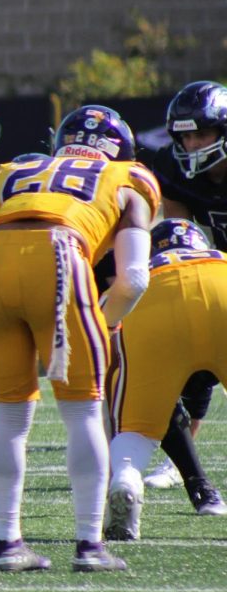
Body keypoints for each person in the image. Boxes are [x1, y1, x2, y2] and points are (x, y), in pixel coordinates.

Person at [0, 105, 158, 572]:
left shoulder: (14, 170)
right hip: (61, 255)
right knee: (83, 407)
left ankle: (8, 545)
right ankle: (90, 546)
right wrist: (101, 322)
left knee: (9, 415)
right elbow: (133, 278)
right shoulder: (130, 178)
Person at [105, 218, 227, 540]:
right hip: (222, 287)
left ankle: (127, 480)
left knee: (137, 429)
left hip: (155, 296)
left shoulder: (148, 267)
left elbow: (107, 317)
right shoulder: (219, 258)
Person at [139, 80, 227, 513]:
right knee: (195, 354)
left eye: (202, 134)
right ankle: (182, 462)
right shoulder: (172, 170)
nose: (191, 144)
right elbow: (181, 241)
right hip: (216, 266)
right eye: (185, 135)